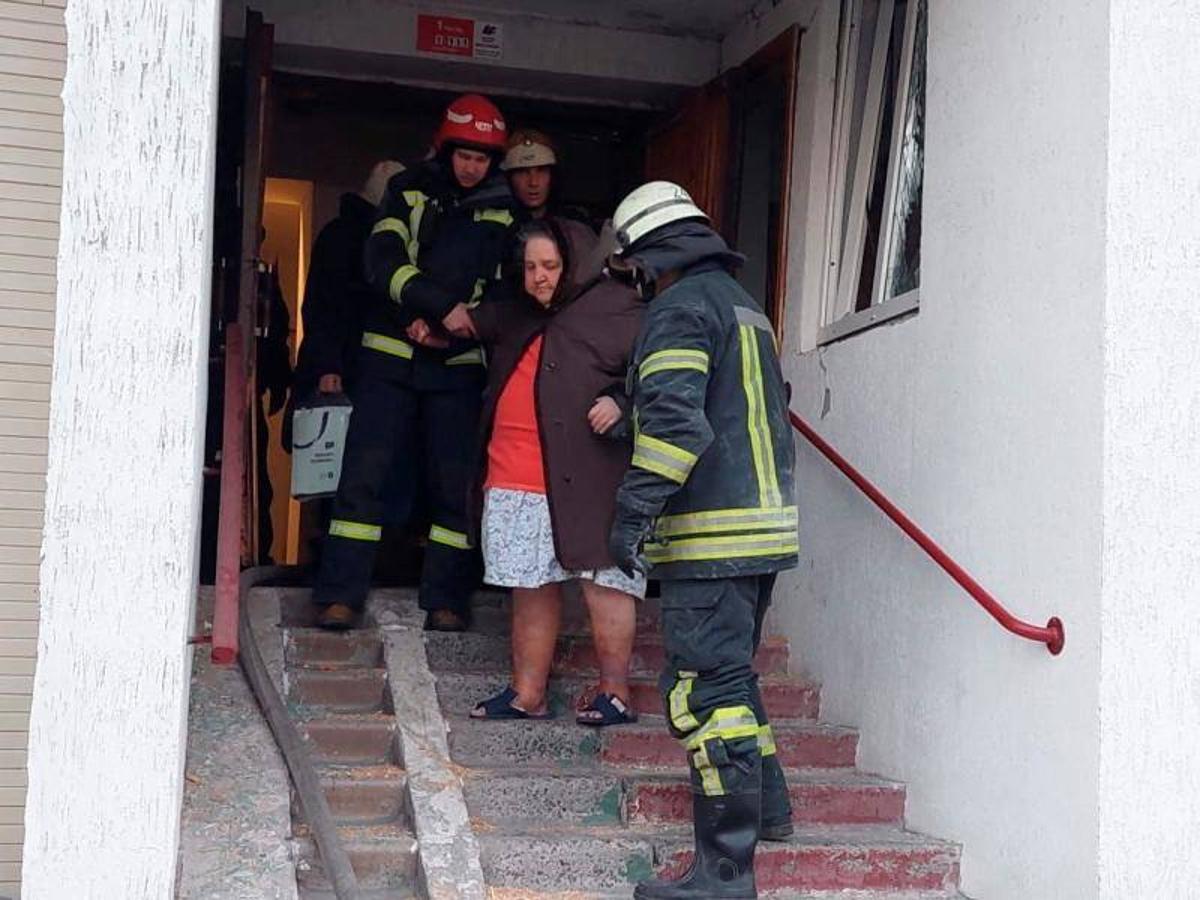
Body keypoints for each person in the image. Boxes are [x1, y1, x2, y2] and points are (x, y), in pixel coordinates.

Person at [606, 181, 799, 899]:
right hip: (763, 529)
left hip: (710, 537)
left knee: (703, 695)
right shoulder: (746, 308)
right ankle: (769, 811)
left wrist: (631, 515)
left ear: (648, 255)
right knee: (734, 681)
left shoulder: (678, 309)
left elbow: (678, 427)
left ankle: (723, 874)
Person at [312, 94, 515, 632]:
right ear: (445, 150)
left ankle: (447, 599)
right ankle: (339, 596)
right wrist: (429, 309)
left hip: (457, 366)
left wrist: (459, 324)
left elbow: (508, 290)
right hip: (390, 357)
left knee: (454, 486)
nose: (472, 167)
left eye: (483, 158)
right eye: (464, 155)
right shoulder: (408, 190)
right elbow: (381, 261)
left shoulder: (503, 208)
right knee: (364, 476)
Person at [447, 217, 644, 724]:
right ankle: (526, 693)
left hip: (591, 475)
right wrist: (428, 314)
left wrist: (623, 402)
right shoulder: (516, 312)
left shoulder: (618, 307)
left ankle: (615, 694)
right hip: (515, 473)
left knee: (605, 581)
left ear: (574, 263)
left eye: (550, 266)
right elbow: (466, 321)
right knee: (529, 587)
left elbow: (660, 371)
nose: (538, 276)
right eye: (530, 266)